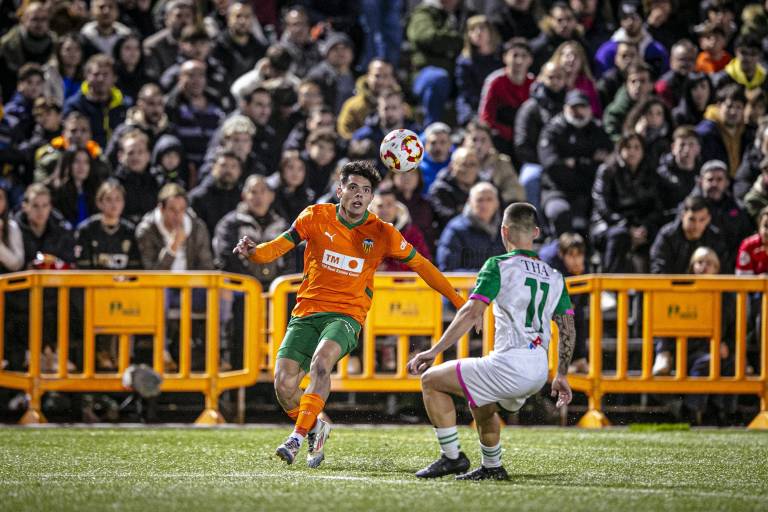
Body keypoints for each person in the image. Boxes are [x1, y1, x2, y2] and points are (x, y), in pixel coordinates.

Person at [232, 160, 466, 468]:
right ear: (340, 189)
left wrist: (458, 300)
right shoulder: (315, 216)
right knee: (284, 386)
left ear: (371, 198)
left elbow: (422, 265)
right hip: (307, 312)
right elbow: (277, 247)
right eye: (353, 187)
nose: (359, 195)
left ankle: (297, 437)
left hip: (346, 315)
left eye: (366, 190)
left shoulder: (383, 232)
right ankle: (318, 426)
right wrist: (255, 253)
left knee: (320, 364)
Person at [407, 202, 575, 480]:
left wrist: (434, 351)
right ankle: (492, 467)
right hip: (538, 369)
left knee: (431, 380)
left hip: (510, 365)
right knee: (481, 402)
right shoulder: (555, 276)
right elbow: (567, 327)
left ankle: (452, 458)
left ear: (503, 232)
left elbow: (471, 311)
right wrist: (562, 374)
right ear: (535, 232)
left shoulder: (499, 265)